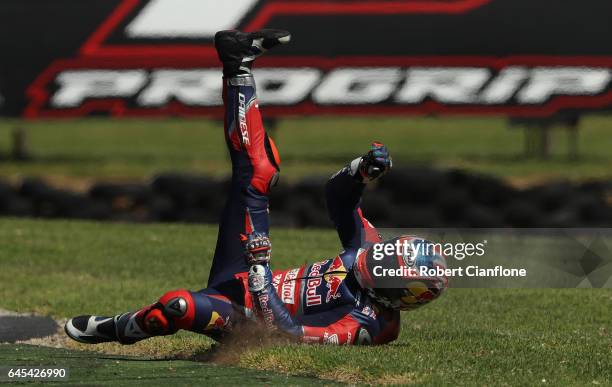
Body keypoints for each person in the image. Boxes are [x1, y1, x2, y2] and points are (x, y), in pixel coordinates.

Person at [65, 29, 447, 346]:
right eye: (389, 254)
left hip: (247, 318)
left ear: (399, 296)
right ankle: (238, 64)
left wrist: (262, 278)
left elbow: (288, 337)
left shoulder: (371, 326)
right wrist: (360, 171)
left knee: (176, 306)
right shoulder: (367, 248)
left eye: (388, 268)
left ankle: (119, 327)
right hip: (246, 273)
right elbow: (337, 199)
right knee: (258, 170)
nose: (378, 260)